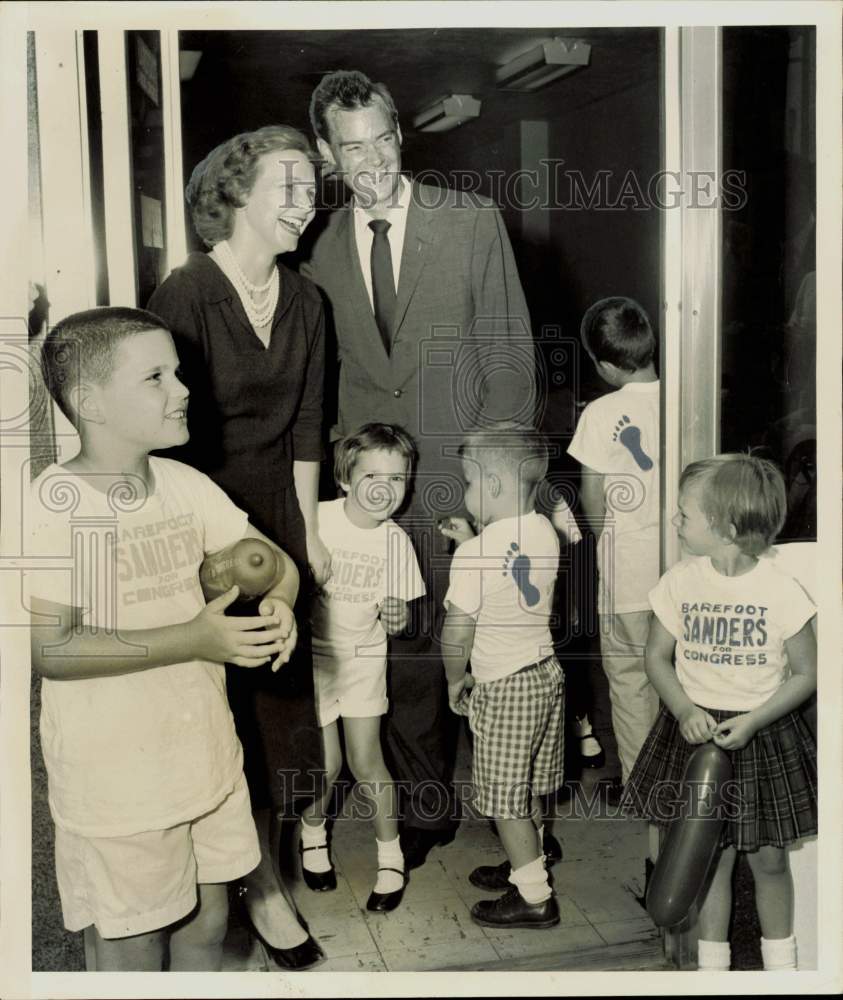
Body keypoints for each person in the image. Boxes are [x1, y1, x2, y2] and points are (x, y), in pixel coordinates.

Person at [304, 70, 536, 869]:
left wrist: (499, 496)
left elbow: (507, 352)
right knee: (393, 650)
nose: (371, 161)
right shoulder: (316, 247)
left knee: (486, 642)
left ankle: (522, 821)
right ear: (327, 155)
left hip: (458, 470)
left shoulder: (468, 221)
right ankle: (427, 810)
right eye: (351, 147)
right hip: (368, 483)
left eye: (382, 139)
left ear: (401, 136)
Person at [26, 307, 300, 971]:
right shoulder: (58, 503)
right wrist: (194, 638)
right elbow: (51, 649)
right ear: (90, 402)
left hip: (204, 760)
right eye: (155, 377)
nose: (183, 390)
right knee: (132, 943)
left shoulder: (184, 484)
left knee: (209, 921)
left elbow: (276, 560)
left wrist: (282, 605)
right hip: (118, 783)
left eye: (177, 373)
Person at [146, 125, 327, 968]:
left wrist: (308, 539)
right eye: (287, 186)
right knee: (220, 716)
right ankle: (237, 888)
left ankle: (271, 880)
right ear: (235, 198)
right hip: (198, 524)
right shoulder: (185, 292)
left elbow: (303, 432)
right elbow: (158, 435)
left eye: (309, 184)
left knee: (282, 718)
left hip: (274, 526)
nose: (306, 200)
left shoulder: (307, 300)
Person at [623, 454, 817, 972]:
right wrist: (683, 707)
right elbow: (655, 657)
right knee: (712, 858)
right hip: (693, 733)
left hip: (761, 733)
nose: (675, 522)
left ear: (725, 527)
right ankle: (713, 971)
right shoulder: (680, 581)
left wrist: (754, 719)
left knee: (770, 860)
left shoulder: (780, 590)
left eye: (684, 514)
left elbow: (805, 673)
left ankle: (783, 970)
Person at [439, 424, 564, 929]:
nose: (467, 494)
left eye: (469, 483)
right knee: (528, 783)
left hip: (503, 685)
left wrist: (454, 680)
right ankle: (526, 864)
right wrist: (476, 540)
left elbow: (457, 632)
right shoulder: (544, 532)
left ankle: (533, 895)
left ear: (490, 485)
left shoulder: (474, 555)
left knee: (504, 799)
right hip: (544, 675)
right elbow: (511, 576)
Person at [299, 424, 426, 912]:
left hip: (364, 663)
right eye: (372, 474)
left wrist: (399, 616)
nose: (383, 488)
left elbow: (403, 619)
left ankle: (390, 858)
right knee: (325, 766)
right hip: (314, 661)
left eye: (396, 479)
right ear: (346, 479)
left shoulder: (396, 543)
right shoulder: (319, 520)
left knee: (366, 761)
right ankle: (313, 837)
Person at [567, 297, 660, 802]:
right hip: (681, 567)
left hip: (629, 572)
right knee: (679, 677)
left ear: (604, 365)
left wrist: (604, 541)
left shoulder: (602, 413)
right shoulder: (688, 396)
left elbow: (594, 498)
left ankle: (643, 786)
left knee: (629, 681)